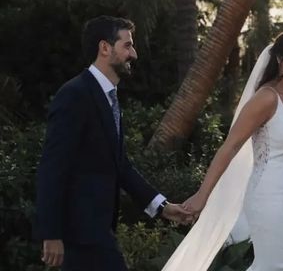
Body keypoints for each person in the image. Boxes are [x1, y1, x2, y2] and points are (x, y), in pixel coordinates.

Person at [161, 30, 283, 271]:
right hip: (269, 203)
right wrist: (202, 196)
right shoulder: (266, 98)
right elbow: (231, 146)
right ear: (282, 59)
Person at [34, 16, 193, 270]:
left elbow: (121, 167)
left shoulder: (109, 98)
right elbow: (52, 168)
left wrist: (163, 207)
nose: (134, 54)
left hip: (96, 233)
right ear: (105, 48)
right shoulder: (75, 95)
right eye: (127, 45)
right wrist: (51, 233)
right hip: (79, 235)